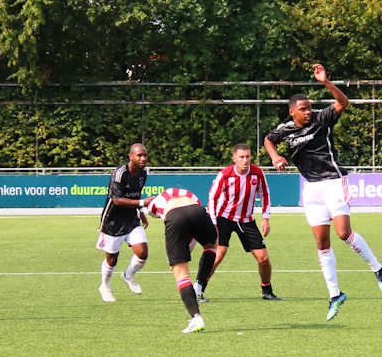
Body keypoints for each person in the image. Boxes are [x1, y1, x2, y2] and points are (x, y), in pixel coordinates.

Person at [264, 63, 382, 321]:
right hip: (311, 189)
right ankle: (335, 294)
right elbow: (268, 140)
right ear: (292, 112)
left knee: (343, 233)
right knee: (322, 243)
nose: (308, 111)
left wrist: (325, 82)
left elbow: (343, 102)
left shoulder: (322, 118)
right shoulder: (285, 129)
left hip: (333, 182)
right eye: (303, 109)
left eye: (309, 107)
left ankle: (377, 268)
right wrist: (275, 157)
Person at [203, 143, 280, 301]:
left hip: (247, 221)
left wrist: (266, 218)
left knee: (264, 259)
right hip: (224, 218)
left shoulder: (257, 173)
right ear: (234, 158)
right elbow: (212, 198)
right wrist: (213, 223)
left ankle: (267, 290)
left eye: (247, 157)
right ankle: (199, 289)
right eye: (241, 157)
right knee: (218, 255)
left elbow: (264, 194)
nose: (245, 160)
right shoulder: (225, 174)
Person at [145, 188, 218, 333]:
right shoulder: (189, 194)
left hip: (174, 216)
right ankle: (199, 286)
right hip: (198, 211)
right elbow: (192, 227)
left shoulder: (156, 202)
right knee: (211, 245)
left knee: (180, 272)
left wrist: (176, 257)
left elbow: (170, 220)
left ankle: (196, 317)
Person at [96, 143, 155, 302]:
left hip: (131, 219)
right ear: (131, 157)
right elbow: (116, 200)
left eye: (145, 155)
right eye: (139, 155)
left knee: (142, 252)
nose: (143, 158)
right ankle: (105, 286)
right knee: (112, 259)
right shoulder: (120, 173)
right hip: (113, 221)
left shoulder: (143, 173)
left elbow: (137, 194)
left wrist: (141, 212)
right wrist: (142, 203)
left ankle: (128, 275)